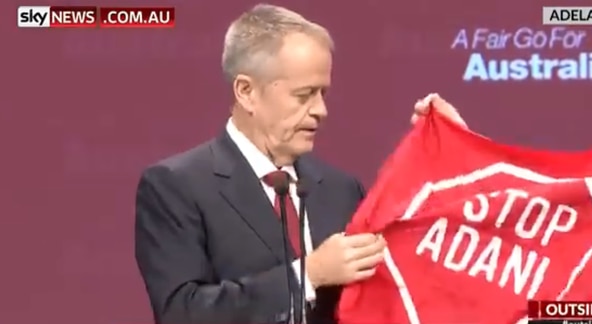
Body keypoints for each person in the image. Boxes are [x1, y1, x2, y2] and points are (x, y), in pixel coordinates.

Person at [134, 4, 467, 324]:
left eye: (323, 93)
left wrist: (450, 156)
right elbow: (182, 314)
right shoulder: (176, 186)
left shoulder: (340, 189)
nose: (321, 110)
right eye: (304, 95)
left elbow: (409, 280)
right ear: (247, 91)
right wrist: (310, 274)